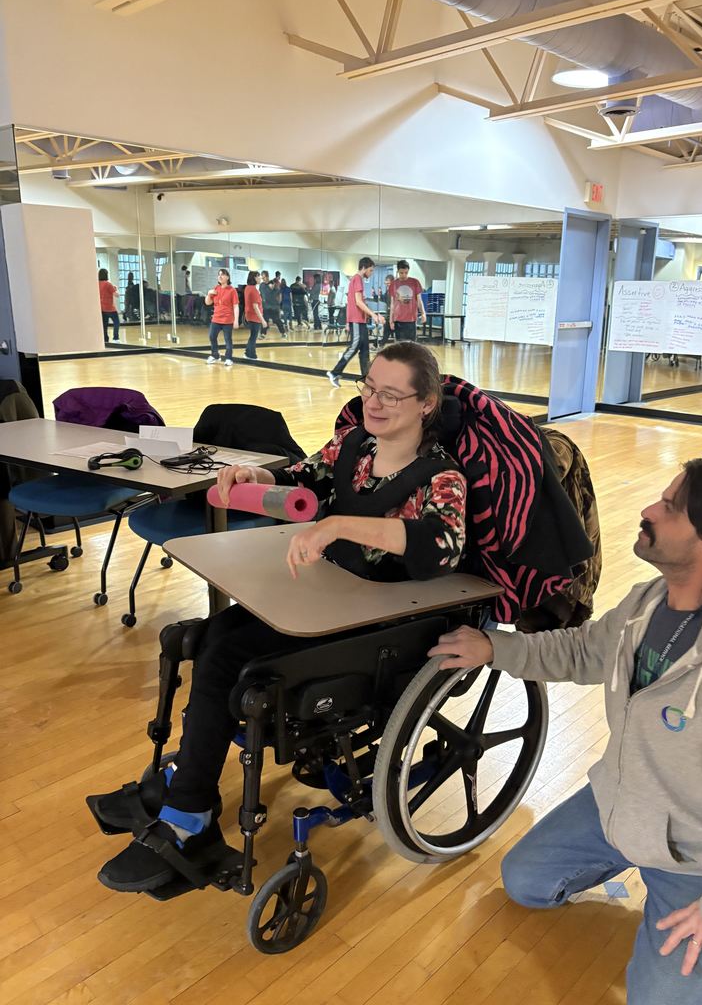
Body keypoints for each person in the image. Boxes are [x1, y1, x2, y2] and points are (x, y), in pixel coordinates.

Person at [94, 341, 468, 893]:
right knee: (211, 635)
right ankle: (189, 781)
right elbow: (306, 478)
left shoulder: (441, 479)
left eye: (392, 394)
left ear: (427, 404)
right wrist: (252, 477)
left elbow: (442, 546)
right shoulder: (353, 447)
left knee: (232, 659)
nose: (375, 402)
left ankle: (191, 812)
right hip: (330, 598)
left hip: (382, 622)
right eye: (369, 387)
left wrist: (340, 527)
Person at [429, 458, 702, 1005]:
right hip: (620, 801)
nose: (647, 511)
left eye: (670, 507)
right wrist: (498, 648)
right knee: (524, 883)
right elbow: (583, 651)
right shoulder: (646, 602)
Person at [327, 257, 385, 388]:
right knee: (354, 347)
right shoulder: (357, 279)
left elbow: (351, 302)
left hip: (359, 321)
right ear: (364, 268)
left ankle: (367, 379)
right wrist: (373, 315)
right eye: (370, 270)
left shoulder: (355, 280)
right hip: (357, 321)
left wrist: (348, 321)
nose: (371, 273)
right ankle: (334, 372)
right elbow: (358, 302)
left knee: (364, 350)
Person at [205, 268, 239, 365]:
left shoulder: (232, 290)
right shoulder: (216, 289)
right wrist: (208, 294)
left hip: (227, 320)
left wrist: (236, 320)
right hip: (216, 319)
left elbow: (236, 306)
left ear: (227, 277)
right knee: (212, 336)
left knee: (228, 340)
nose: (220, 276)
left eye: (222, 274)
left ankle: (229, 358)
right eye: (219, 274)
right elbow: (208, 303)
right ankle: (215, 355)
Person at [389, 260, 426, 343]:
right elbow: (392, 304)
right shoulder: (393, 284)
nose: (404, 275)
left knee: (411, 346)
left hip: (411, 320)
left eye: (406, 272)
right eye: (401, 273)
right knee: (399, 346)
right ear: (398, 271)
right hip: (398, 319)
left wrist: (423, 313)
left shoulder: (415, 282)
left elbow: (419, 300)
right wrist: (391, 320)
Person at [243, 271, 265, 359]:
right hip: (254, 317)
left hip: (249, 315)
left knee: (252, 335)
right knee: (253, 336)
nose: (261, 278)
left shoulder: (248, 288)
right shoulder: (254, 290)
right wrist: (262, 320)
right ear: (254, 278)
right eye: (259, 276)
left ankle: (248, 352)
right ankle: (252, 355)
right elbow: (255, 307)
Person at [98, 268, 120, 344]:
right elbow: (116, 295)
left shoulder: (97, 284)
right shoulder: (108, 284)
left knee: (104, 325)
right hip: (110, 308)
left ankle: (105, 339)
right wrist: (116, 289)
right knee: (116, 322)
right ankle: (115, 338)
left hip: (102, 308)